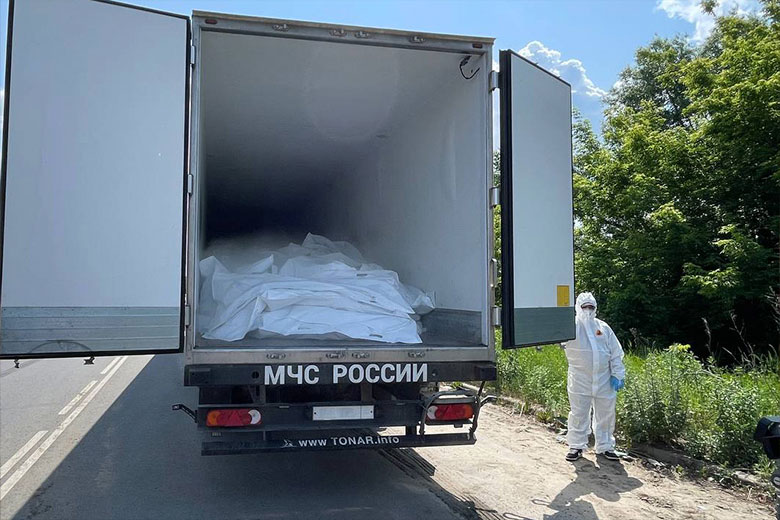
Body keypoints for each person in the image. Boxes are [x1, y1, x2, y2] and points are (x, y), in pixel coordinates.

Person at [562, 292, 625, 462]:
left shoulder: (603, 327)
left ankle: (605, 446)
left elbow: (615, 352)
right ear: (578, 307)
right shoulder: (570, 326)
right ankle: (576, 446)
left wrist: (618, 374)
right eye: (585, 307)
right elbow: (556, 338)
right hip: (580, 379)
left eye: (591, 307)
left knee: (606, 414)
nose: (588, 310)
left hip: (604, 379)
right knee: (579, 413)